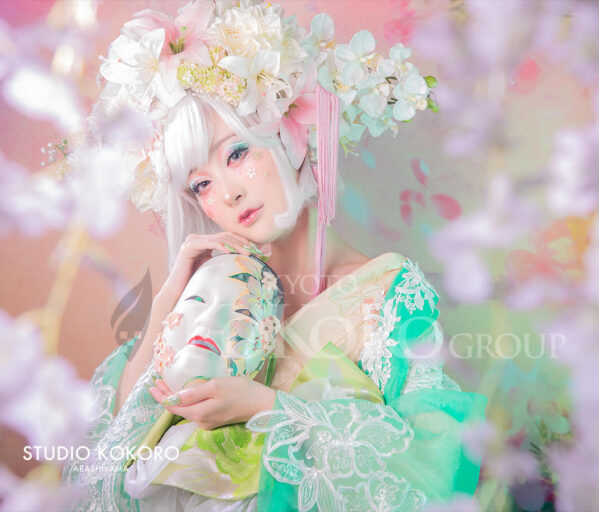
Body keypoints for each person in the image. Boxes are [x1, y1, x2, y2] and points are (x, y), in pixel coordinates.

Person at [63, 1, 487, 510]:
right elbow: (108, 453)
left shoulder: (390, 292)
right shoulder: (212, 294)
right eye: (201, 184)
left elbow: (427, 469)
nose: (228, 193)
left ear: (288, 132)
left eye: (237, 153)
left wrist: (269, 407)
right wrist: (168, 297)